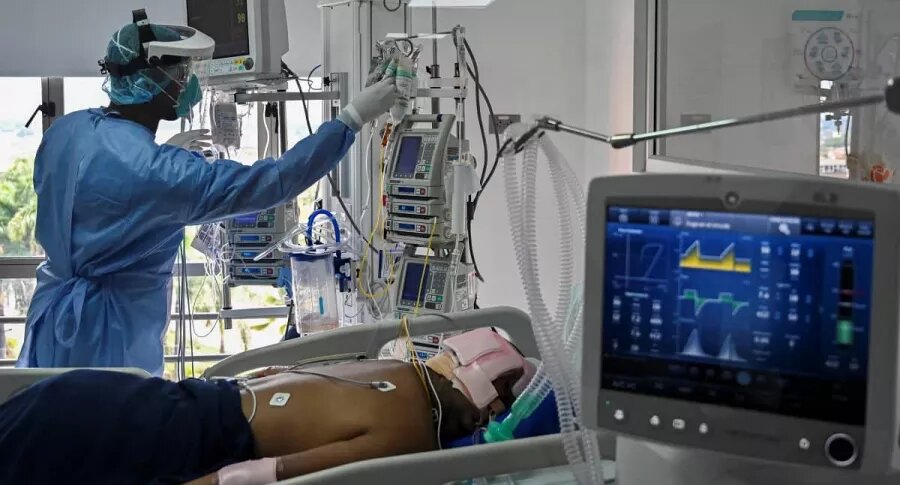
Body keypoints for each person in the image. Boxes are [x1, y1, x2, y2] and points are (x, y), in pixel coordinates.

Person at [16, 12, 399, 376]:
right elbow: (274, 180)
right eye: (182, 75)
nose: (189, 85)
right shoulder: (162, 173)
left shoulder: (66, 132)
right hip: (108, 340)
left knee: (45, 415)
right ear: (153, 81)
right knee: (104, 422)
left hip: (49, 325)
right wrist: (352, 118)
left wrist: (157, 155)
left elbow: (95, 197)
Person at [0, 328, 537, 485]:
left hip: (107, 398)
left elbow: (265, 378)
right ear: (484, 410)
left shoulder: (391, 363)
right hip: (150, 441)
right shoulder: (412, 435)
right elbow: (265, 475)